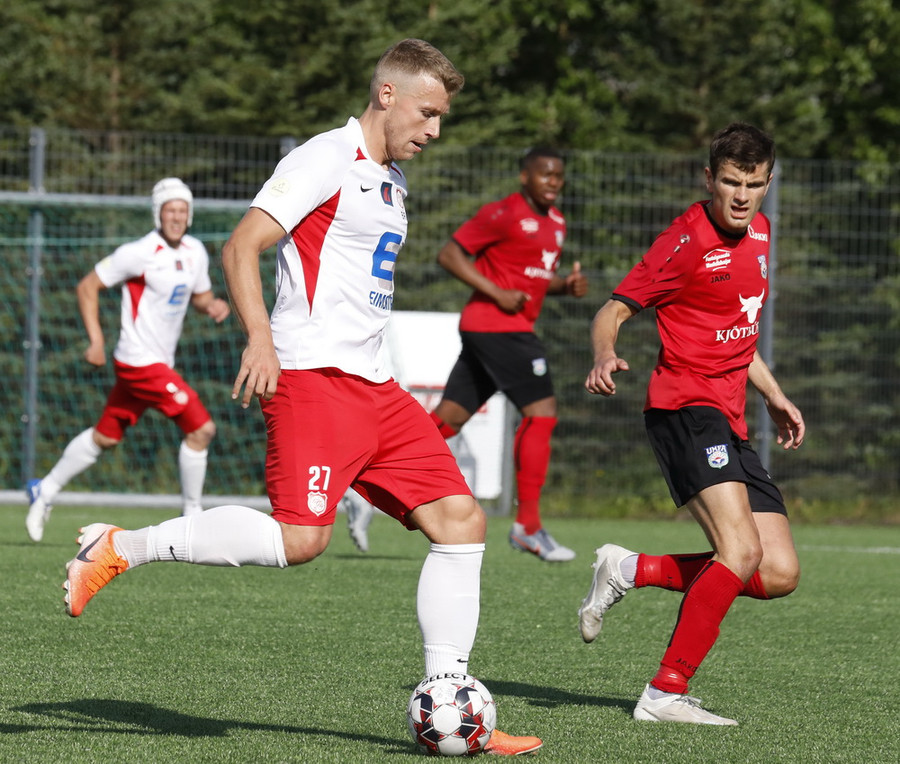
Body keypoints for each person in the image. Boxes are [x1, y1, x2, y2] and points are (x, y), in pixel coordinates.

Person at [61, 39, 541, 756]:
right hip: (313, 379)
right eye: (428, 112)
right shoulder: (325, 157)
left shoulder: (391, 177)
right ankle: (120, 547)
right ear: (386, 94)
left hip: (374, 387)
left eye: (442, 116)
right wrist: (260, 338)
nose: (435, 129)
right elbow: (242, 246)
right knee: (301, 540)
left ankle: (452, 706)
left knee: (461, 521)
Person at [578, 122, 804, 725]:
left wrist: (775, 395)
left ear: (768, 183)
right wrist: (604, 354)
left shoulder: (762, 232)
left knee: (777, 572)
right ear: (709, 179)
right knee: (739, 549)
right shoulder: (683, 242)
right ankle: (664, 693)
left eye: (754, 184)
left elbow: (735, 333)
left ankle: (629, 568)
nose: (741, 196)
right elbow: (611, 311)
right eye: (730, 182)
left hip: (730, 418)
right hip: (684, 409)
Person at [25, 177, 230, 542]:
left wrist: (211, 305)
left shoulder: (195, 251)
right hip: (138, 361)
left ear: (190, 214)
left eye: (182, 210)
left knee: (105, 437)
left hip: (157, 363)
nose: (176, 217)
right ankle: (192, 518)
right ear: (158, 214)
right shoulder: (139, 253)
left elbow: (199, 296)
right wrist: (96, 340)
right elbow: (87, 286)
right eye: (170, 210)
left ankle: (45, 488)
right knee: (201, 429)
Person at [426, 146, 587, 562]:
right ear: (524, 177)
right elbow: (449, 255)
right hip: (500, 327)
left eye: (558, 175)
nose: (553, 182)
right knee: (542, 412)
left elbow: (535, 279)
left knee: (447, 420)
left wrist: (564, 287)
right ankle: (527, 527)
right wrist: (497, 293)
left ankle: (363, 484)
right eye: (544, 174)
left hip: (493, 330)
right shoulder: (503, 213)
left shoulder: (557, 222)